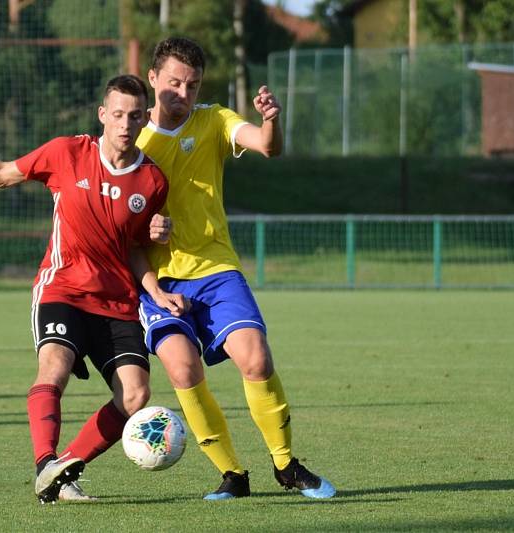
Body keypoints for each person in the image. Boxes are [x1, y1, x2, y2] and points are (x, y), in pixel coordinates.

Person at [0, 74, 186, 504]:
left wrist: (156, 288)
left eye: (134, 116)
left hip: (116, 301)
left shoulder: (153, 181)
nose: (125, 124)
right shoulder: (66, 152)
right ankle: (44, 462)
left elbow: (134, 249)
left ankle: (60, 472)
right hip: (63, 289)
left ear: (145, 119)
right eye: (118, 115)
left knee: (135, 393)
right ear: (102, 116)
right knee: (54, 367)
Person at [136, 37, 335, 500]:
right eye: (173, 84)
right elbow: (116, 217)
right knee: (183, 371)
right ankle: (232, 474)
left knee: (256, 358)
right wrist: (148, 230)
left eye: (192, 84)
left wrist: (271, 120)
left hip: (217, 267)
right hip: (158, 279)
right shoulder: (133, 140)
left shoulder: (213, 120)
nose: (182, 94)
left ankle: (286, 465)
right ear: (152, 79)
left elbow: (267, 146)